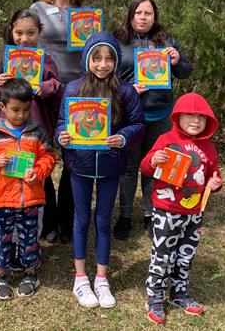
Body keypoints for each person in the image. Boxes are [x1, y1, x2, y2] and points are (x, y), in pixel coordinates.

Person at [56, 32, 145, 308]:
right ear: (87, 59)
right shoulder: (73, 89)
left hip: (110, 165)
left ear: (116, 61)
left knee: (103, 220)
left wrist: (124, 137)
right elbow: (61, 122)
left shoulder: (125, 91)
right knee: (81, 219)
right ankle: (81, 278)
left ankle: (102, 279)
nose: (103, 64)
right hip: (80, 165)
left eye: (109, 59)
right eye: (97, 58)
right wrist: (62, 135)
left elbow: (138, 124)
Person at [139, 92, 224, 325]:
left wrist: (215, 184)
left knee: (186, 256)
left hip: (194, 213)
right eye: (190, 115)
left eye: (201, 117)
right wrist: (153, 160)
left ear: (208, 120)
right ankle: (154, 297)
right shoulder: (165, 139)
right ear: (177, 116)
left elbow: (213, 176)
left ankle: (179, 293)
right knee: (163, 256)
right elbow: (145, 168)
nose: (196, 120)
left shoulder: (208, 148)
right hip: (166, 210)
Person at [113, 0, 192, 240]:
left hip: (161, 115)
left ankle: (150, 213)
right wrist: (127, 89)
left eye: (147, 13)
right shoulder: (118, 40)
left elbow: (185, 71)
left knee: (155, 164)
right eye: (138, 13)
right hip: (130, 114)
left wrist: (177, 61)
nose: (143, 17)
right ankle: (125, 215)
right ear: (130, 15)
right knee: (129, 167)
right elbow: (106, 74)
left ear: (154, 16)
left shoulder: (166, 40)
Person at [0, 9, 62, 256]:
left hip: (37, 127)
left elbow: (57, 88)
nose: (24, 38)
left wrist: (43, 87)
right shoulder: (4, 59)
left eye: (30, 33)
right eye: (19, 33)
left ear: (39, 32)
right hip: (9, 131)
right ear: (11, 31)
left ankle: (48, 223)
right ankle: (10, 221)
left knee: (41, 174)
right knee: (11, 173)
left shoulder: (45, 59)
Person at [0, 78, 56, 300]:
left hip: (30, 198)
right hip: (3, 198)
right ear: (2, 107)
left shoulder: (37, 132)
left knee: (29, 237)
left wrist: (38, 172)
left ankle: (30, 273)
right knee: (2, 238)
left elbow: (49, 158)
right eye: (15, 110)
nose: (21, 115)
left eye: (26, 109)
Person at [30, 0, 86, 243]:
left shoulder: (86, 14)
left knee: (72, 157)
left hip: (77, 93)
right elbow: (24, 45)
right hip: (44, 93)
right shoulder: (37, 9)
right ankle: (48, 218)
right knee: (42, 153)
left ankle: (67, 219)